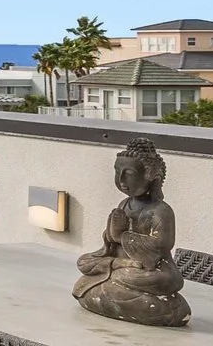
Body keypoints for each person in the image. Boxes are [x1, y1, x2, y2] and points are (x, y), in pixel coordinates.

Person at [73, 140, 190, 327]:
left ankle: (162, 307)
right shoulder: (124, 205)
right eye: (117, 172)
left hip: (150, 271)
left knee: (130, 278)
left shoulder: (160, 211)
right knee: (84, 262)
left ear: (152, 177)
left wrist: (121, 236)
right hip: (123, 265)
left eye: (129, 174)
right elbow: (111, 244)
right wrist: (110, 235)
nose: (121, 181)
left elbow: (161, 245)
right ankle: (119, 277)